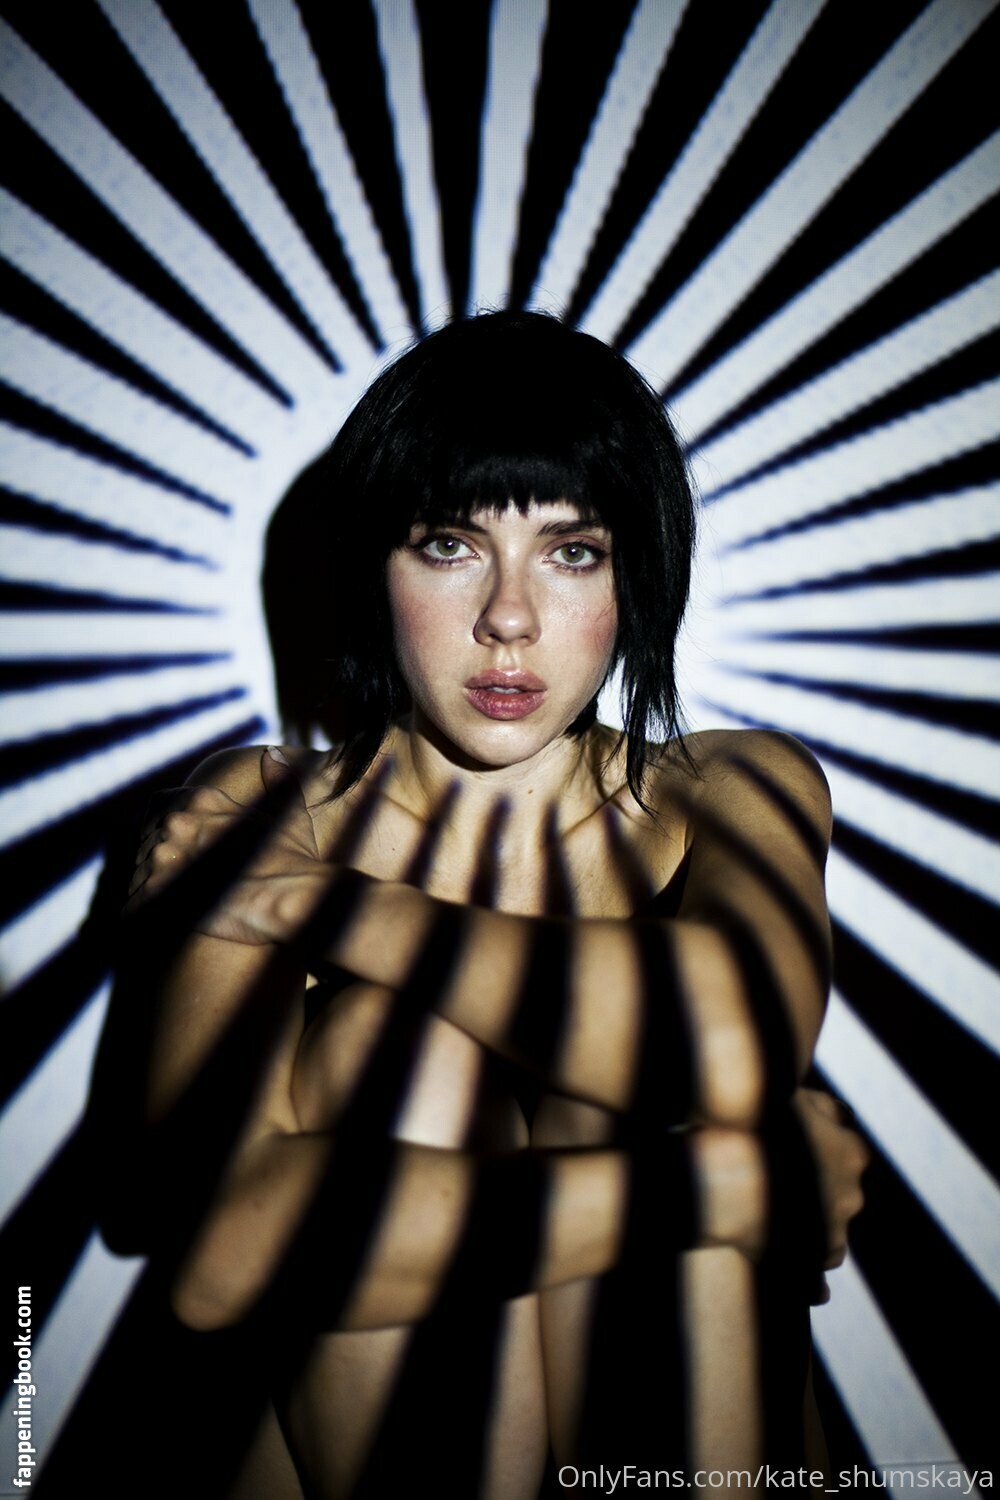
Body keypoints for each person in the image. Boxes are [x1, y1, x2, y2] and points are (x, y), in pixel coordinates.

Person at [103, 311, 867, 1498]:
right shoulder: (256, 809)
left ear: (635, 576)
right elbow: (224, 1253)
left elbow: (729, 1045)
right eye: (450, 544)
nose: (509, 617)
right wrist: (713, 1184)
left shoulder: (731, 785)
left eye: (572, 552)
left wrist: (321, 908)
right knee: (396, 1055)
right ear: (376, 566)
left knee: (622, 1072)